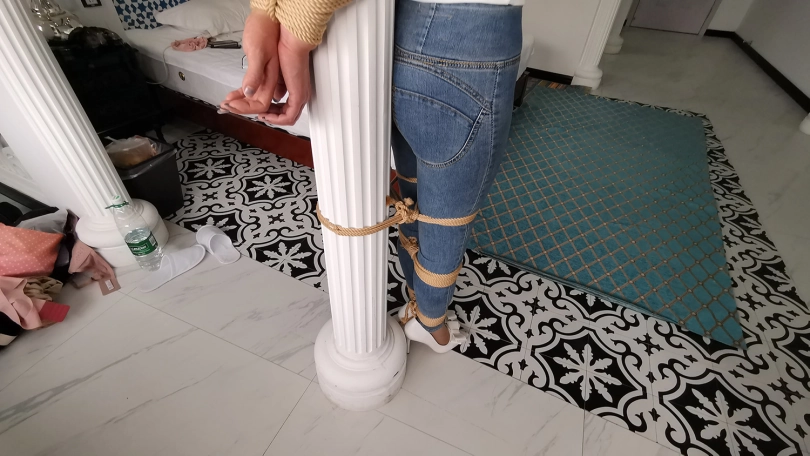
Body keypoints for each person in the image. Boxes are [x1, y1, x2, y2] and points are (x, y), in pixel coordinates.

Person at [221, 0, 523, 353]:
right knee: (446, 220)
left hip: (399, 33)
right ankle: (430, 321)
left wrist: (266, 12)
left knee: (412, 199)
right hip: (473, 37)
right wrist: (290, 33)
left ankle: (415, 296)